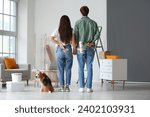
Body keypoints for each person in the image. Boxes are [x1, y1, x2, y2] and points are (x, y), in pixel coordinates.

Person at [74, 6, 100, 93]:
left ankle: (81, 87)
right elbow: (98, 34)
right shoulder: (93, 23)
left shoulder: (77, 23)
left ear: (81, 12)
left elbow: (75, 36)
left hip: (80, 47)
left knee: (81, 67)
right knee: (89, 66)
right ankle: (89, 87)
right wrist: (92, 41)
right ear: (88, 12)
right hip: (90, 47)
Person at [50, 15, 76, 92]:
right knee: (68, 69)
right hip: (68, 50)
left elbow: (51, 38)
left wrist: (58, 43)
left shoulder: (58, 30)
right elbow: (73, 42)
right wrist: (74, 50)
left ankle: (61, 86)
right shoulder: (71, 30)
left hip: (59, 50)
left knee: (60, 69)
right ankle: (67, 86)